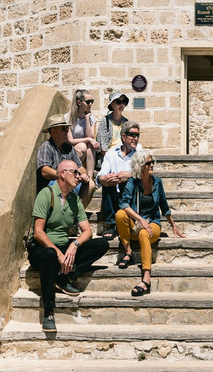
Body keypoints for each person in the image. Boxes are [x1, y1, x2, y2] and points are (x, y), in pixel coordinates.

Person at [28, 160, 109, 332]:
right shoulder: (46, 194)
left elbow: (87, 231)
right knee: (50, 254)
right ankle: (49, 312)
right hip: (42, 250)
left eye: (79, 173)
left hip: (64, 248)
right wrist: (58, 254)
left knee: (101, 244)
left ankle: (61, 275)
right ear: (62, 174)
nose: (79, 177)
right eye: (75, 172)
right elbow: (38, 232)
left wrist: (74, 245)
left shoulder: (75, 200)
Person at [115, 151, 185, 296]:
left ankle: (146, 278)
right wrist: (140, 219)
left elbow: (164, 206)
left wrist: (173, 225)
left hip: (152, 224)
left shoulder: (157, 182)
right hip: (136, 224)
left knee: (144, 233)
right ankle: (128, 250)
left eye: (152, 162)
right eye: (148, 163)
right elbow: (123, 203)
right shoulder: (132, 182)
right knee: (120, 214)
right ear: (141, 166)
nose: (152, 165)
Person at [36, 114, 95, 207]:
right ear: (53, 131)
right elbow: (44, 171)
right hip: (53, 185)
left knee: (90, 184)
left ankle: (77, 214)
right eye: (63, 129)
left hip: (70, 183)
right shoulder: (46, 147)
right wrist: (63, 175)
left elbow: (80, 167)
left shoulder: (70, 148)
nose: (67, 131)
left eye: (67, 129)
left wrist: (83, 174)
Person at [96, 121, 141, 240]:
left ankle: (127, 222)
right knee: (109, 180)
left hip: (132, 194)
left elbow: (146, 175)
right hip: (114, 193)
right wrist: (104, 179)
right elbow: (102, 174)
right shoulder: (112, 153)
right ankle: (111, 223)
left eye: (137, 135)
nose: (135, 138)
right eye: (133, 135)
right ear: (124, 136)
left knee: (128, 180)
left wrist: (130, 175)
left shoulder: (140, 153)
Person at [67, 89, 99, 178]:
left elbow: (91, 136)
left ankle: (90, 177)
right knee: (83, 146)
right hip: (71, 150)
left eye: (92, 101)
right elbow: (70, 140)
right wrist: (88, 140)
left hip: (85, 150)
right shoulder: (68, 118)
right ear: (79, 102)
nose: (90, 104)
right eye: (88, 102)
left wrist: (87, 119)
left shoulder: (91, 118)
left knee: (90, 146)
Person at [96, 91, 131, 159]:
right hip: (108, 157)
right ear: (112, 105)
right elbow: (102, 148)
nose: (121, 104)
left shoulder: (126, 122)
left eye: (123, 102)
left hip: (123, 156)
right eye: (118, 102)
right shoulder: (105, 121)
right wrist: (115, 159)